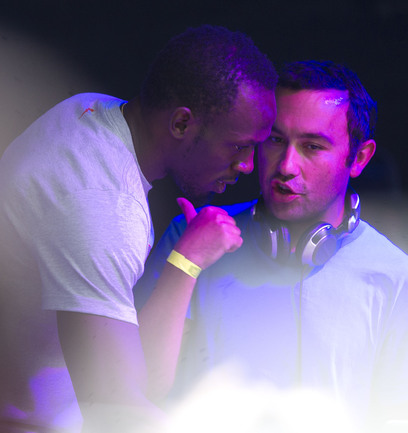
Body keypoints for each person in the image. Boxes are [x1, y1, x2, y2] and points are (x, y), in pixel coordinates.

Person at [0, 25, 278, 433]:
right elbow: (119, 409)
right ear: (181, 123)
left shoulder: (89, 109)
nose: (249, 165)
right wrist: (188, 260)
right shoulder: (108, 209)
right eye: (238, 146)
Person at [135, 60, 408, 432]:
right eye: (275, 140)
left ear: (358, 158)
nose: (287, 166)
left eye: (312, 146)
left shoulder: (395, 276)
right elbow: (136, 389)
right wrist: (186, 261)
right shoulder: (191, 236)